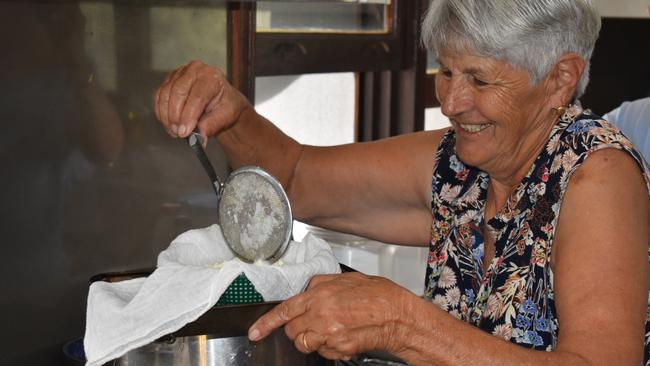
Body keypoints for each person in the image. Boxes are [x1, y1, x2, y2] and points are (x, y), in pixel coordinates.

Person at [153, 0, 650, 364]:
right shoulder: (462, 166)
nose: (452, 102)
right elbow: (298, 180)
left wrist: (404, 324)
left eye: (479, 80)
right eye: (446, 71)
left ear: (560, 79)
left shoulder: (598, 176)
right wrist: (232, 117)